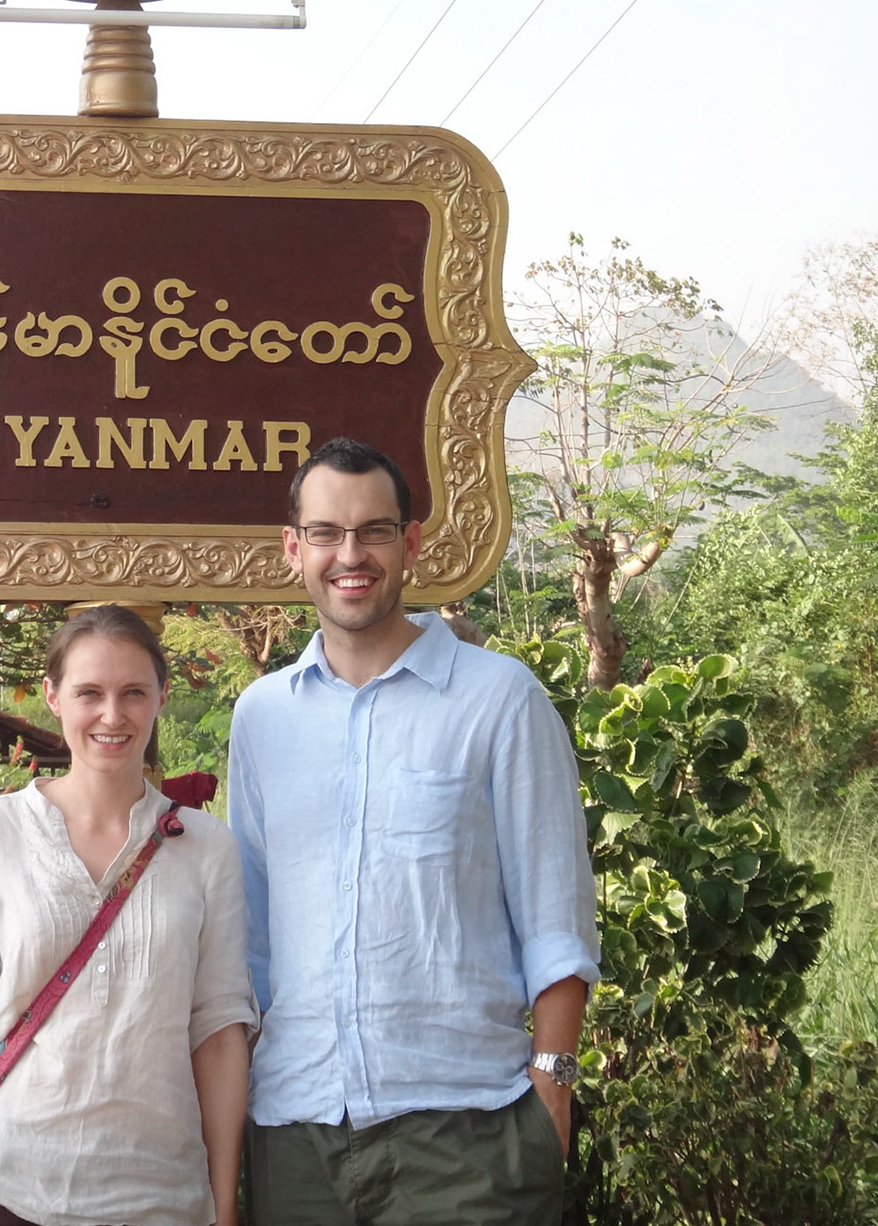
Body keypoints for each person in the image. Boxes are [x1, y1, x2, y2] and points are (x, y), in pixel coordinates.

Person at [228, 438, 600, 1226]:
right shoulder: (262, 717)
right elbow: (252, 937)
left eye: (374, 530)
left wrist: (551, 1095)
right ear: (294, 549)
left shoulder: (500, 700)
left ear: (411, 543)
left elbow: (555, 918)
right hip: (297, 1134)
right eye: (326, 533)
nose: (350, 555)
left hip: (468, 1134)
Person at [0, 606, 259, 1226]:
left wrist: (225, 1203)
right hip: (9, 1186)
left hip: (163, 1192)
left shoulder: (206, 848)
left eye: (133, 692)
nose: (112, 715)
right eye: (89, 693)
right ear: (53, 697)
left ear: (160, 698)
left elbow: (219, 1029)